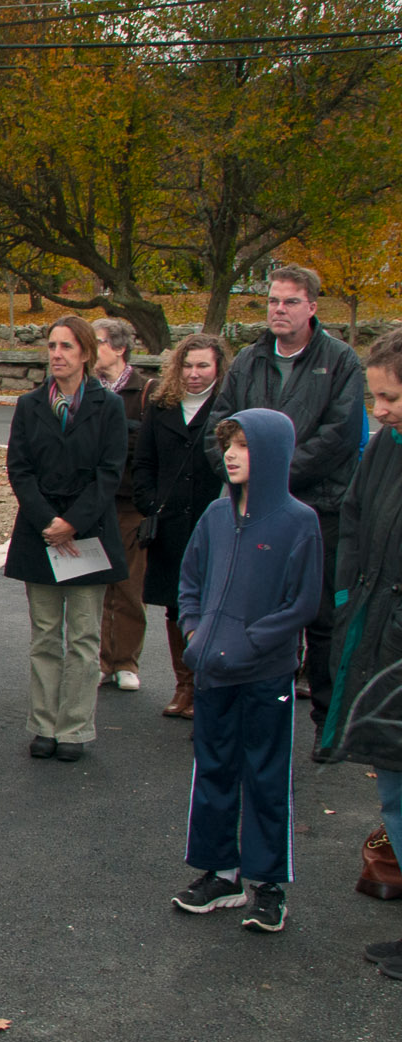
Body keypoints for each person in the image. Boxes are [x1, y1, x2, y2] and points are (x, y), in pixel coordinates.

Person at [171, 410, 322, 934]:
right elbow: (189, 579)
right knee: (212, 768)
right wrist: (195, 634)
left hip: (265, 674)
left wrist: (252, 642)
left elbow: (301, 604)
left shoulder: (299, 521)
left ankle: (268, 884)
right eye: (228, 445)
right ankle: (221, 872)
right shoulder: (214, 515)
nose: (231, 455)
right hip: (212, 671)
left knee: (265, 774)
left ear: (273, 454)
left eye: (244, 446)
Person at [205, 264, 365, 746]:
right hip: (251, 511)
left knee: (320, 620)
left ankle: (326, 726)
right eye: (273, 300)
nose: (279, 309)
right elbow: (220, 424)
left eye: (290, 301)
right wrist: (242, 474)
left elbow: (338, 437)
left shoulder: (341, 362)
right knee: (254, 612)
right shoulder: (249, 361)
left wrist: (272, 473)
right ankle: (250, 716)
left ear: (313, 307)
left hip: (319, 507)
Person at [4, 315, 128, 762]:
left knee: (82, 638)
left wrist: (72, 523)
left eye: (67, 347)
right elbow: (18, 468)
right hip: (40, 534)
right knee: (44, 637)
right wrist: (49, 523)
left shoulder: (109, 406)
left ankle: (74, 727)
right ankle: (44, 725)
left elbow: (110, 473)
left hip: (88, 535)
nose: (57, 354)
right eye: (52, 346)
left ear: (85, 355)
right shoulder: (30, 404)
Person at [318, 329, 402, 976]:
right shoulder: (383, 451)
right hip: (377, 642)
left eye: (392, 397)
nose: (381, 409)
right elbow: (351, 518)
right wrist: (349, 593)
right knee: (394, 790)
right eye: (376, 397)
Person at [133, 333, 229, 719]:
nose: (193, 374)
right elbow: (144, 462)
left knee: (216, 604)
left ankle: (211, 685)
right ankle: (185, 685)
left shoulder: (228, 407)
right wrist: (151, 504)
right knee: (177, 605)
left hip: (215, 520)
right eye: (187, 365)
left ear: (219, 368)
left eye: (203, 365)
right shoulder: (161, 406)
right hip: (171, 523)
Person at [93, 318, 152, 690]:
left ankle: (126, 660)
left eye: (96, 342)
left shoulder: (145, 391)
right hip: (92, 503)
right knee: (95, 586)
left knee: (130, 587)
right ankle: (99, 658)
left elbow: (147, 448)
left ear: (118, 347)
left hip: (130, 502)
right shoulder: (81, 389)